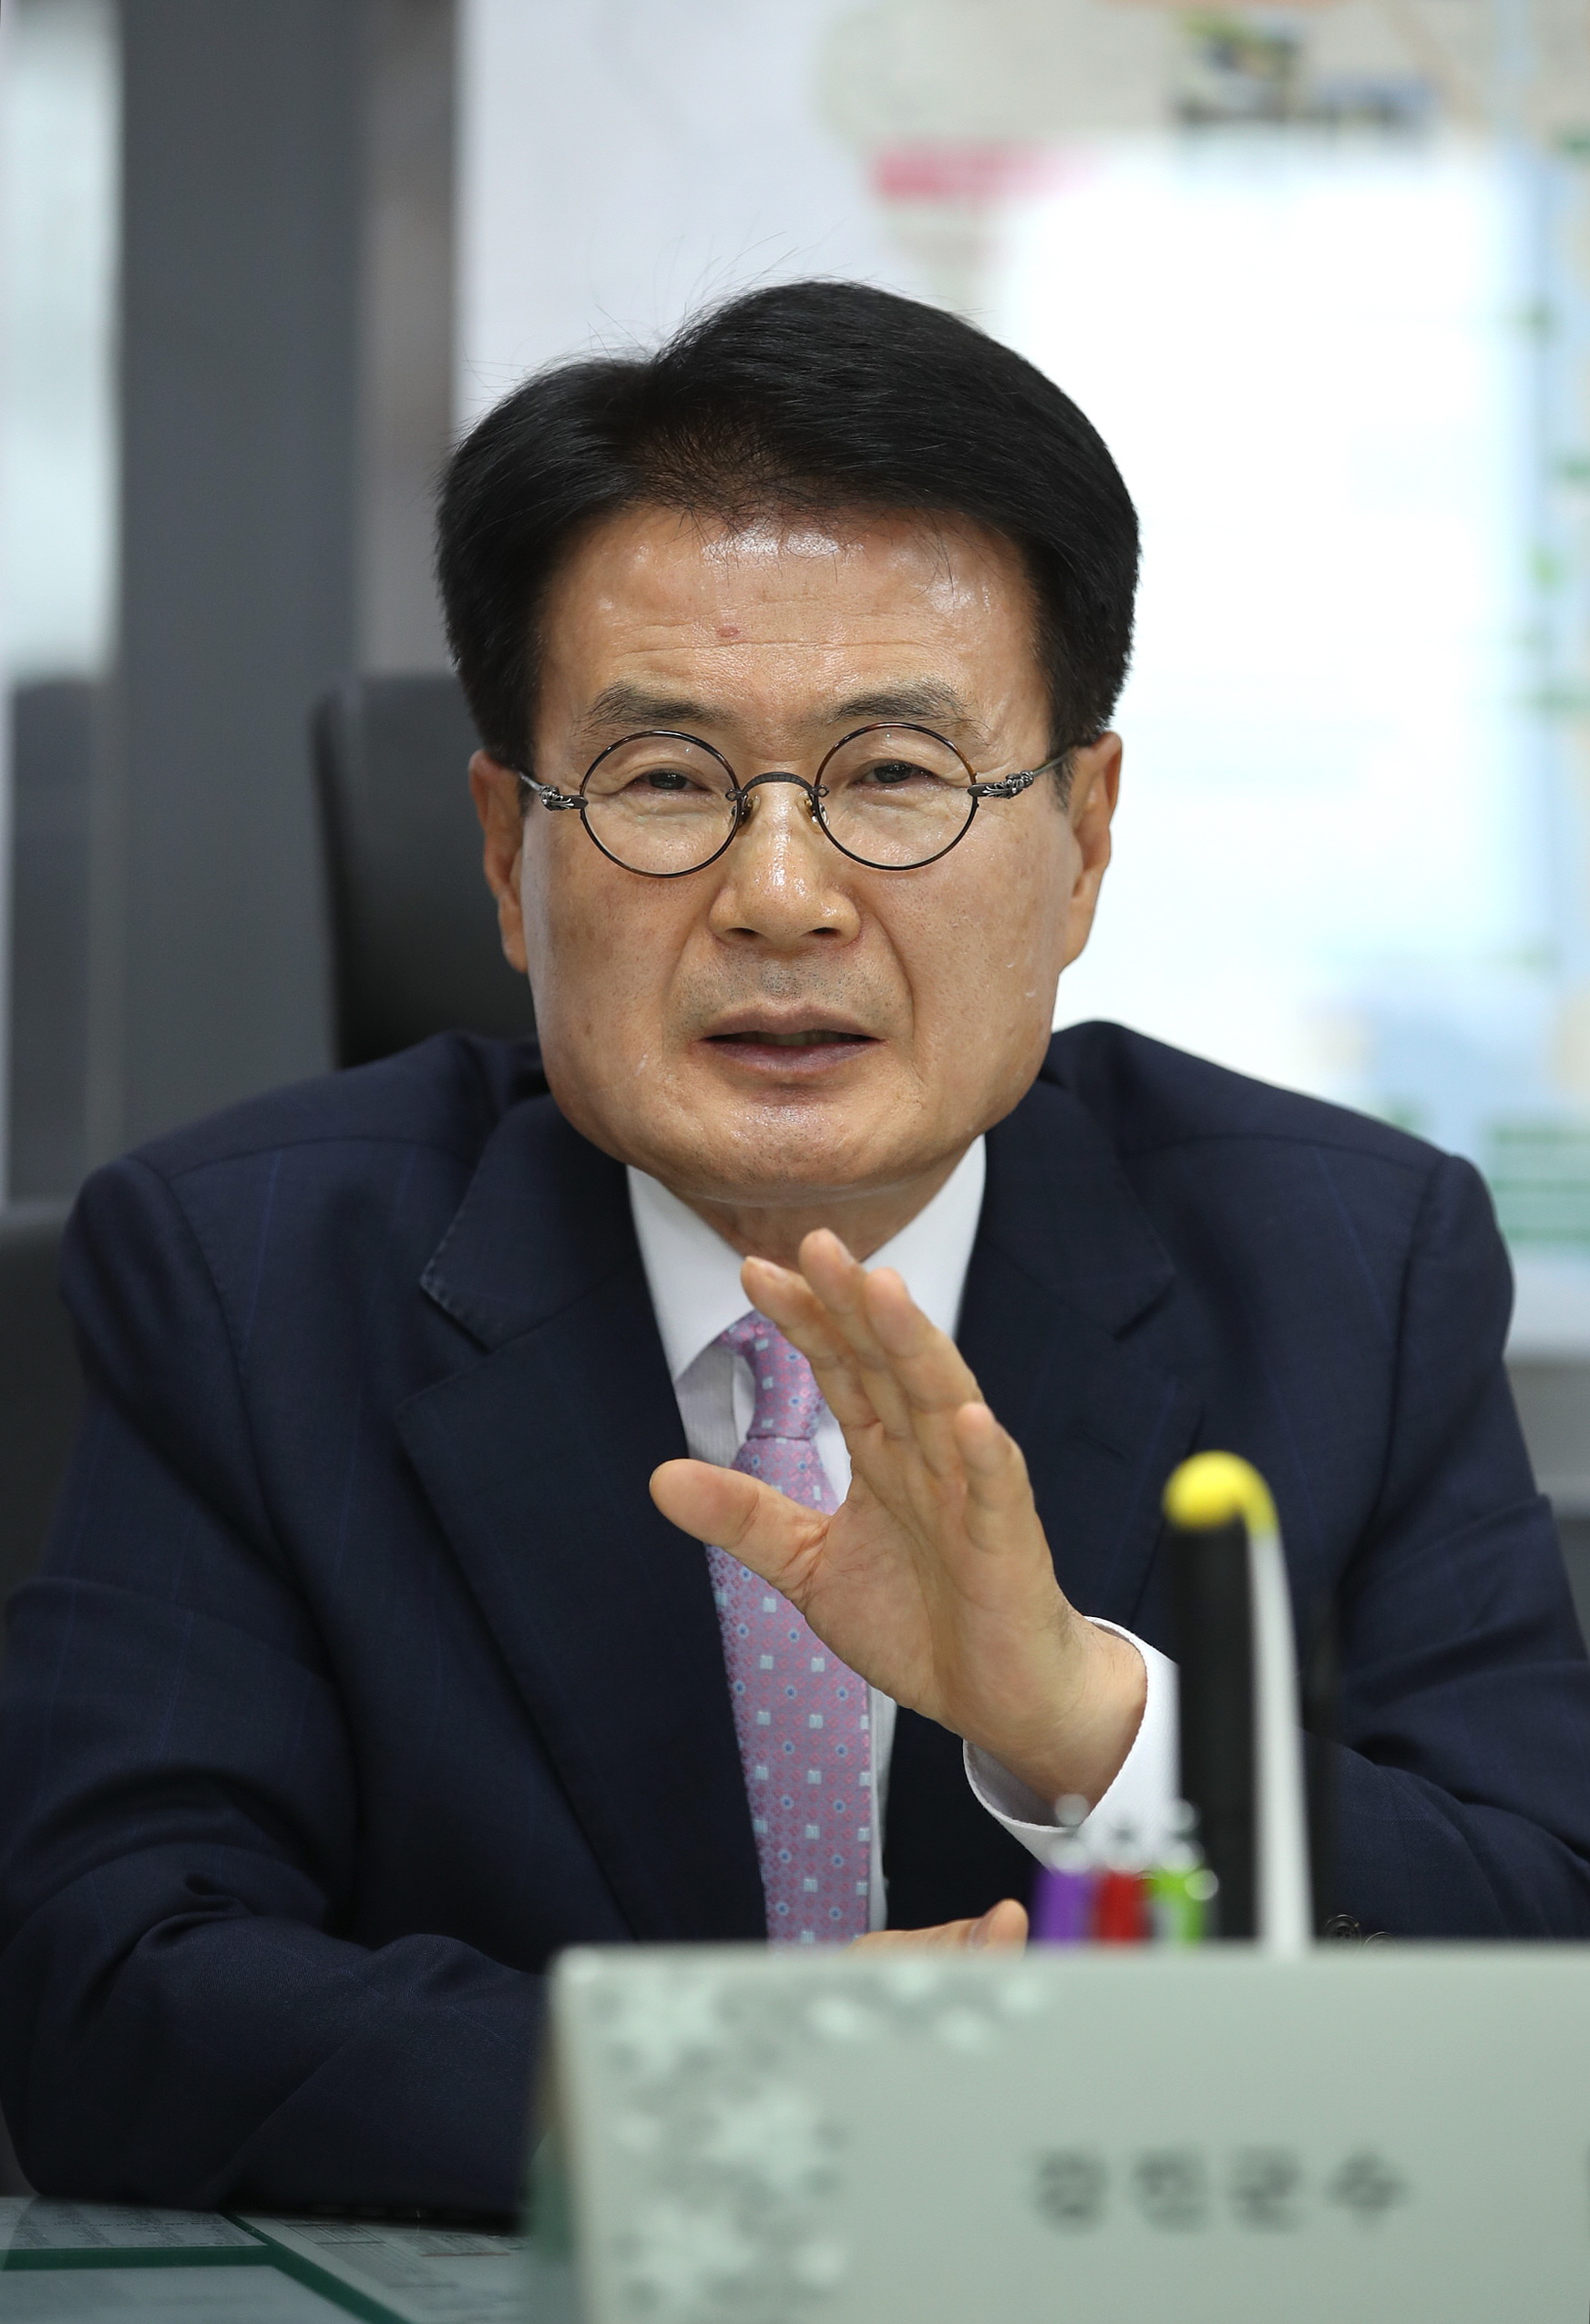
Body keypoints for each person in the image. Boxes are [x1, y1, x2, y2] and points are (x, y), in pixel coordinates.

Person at [2, 282, 1587, 2217]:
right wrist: (758, 2087)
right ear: (506, 855)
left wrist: (1092, 1724)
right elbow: (104, 1995)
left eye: (896, 775)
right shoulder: (243, 1275)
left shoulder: (1349, 1259)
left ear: (1083, 842)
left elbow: (1553, 1973)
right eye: (666, 781)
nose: (778, 895)